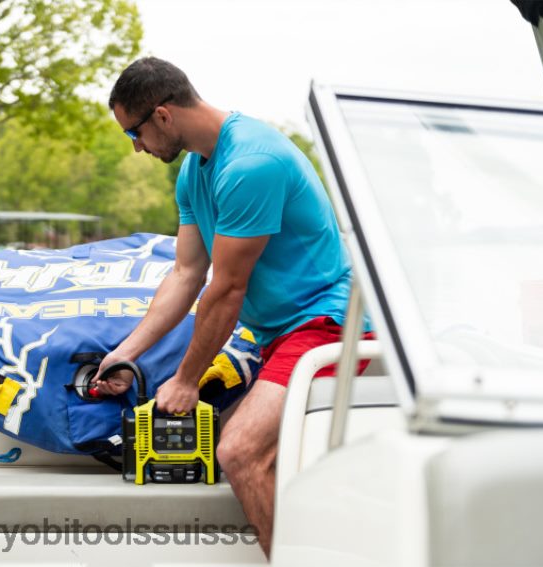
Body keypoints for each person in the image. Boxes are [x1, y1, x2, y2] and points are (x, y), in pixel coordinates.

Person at [92, 57, 373, 559]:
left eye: (134, 133)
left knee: (239, 451)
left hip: (327, 326)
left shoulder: (250, 164)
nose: (136, 147)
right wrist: (125, 353)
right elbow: (186, 275)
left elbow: (226, 290)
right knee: (245, 447)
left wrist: (186, 379)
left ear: (162, 116)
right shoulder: (194, 171)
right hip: (280, 335)